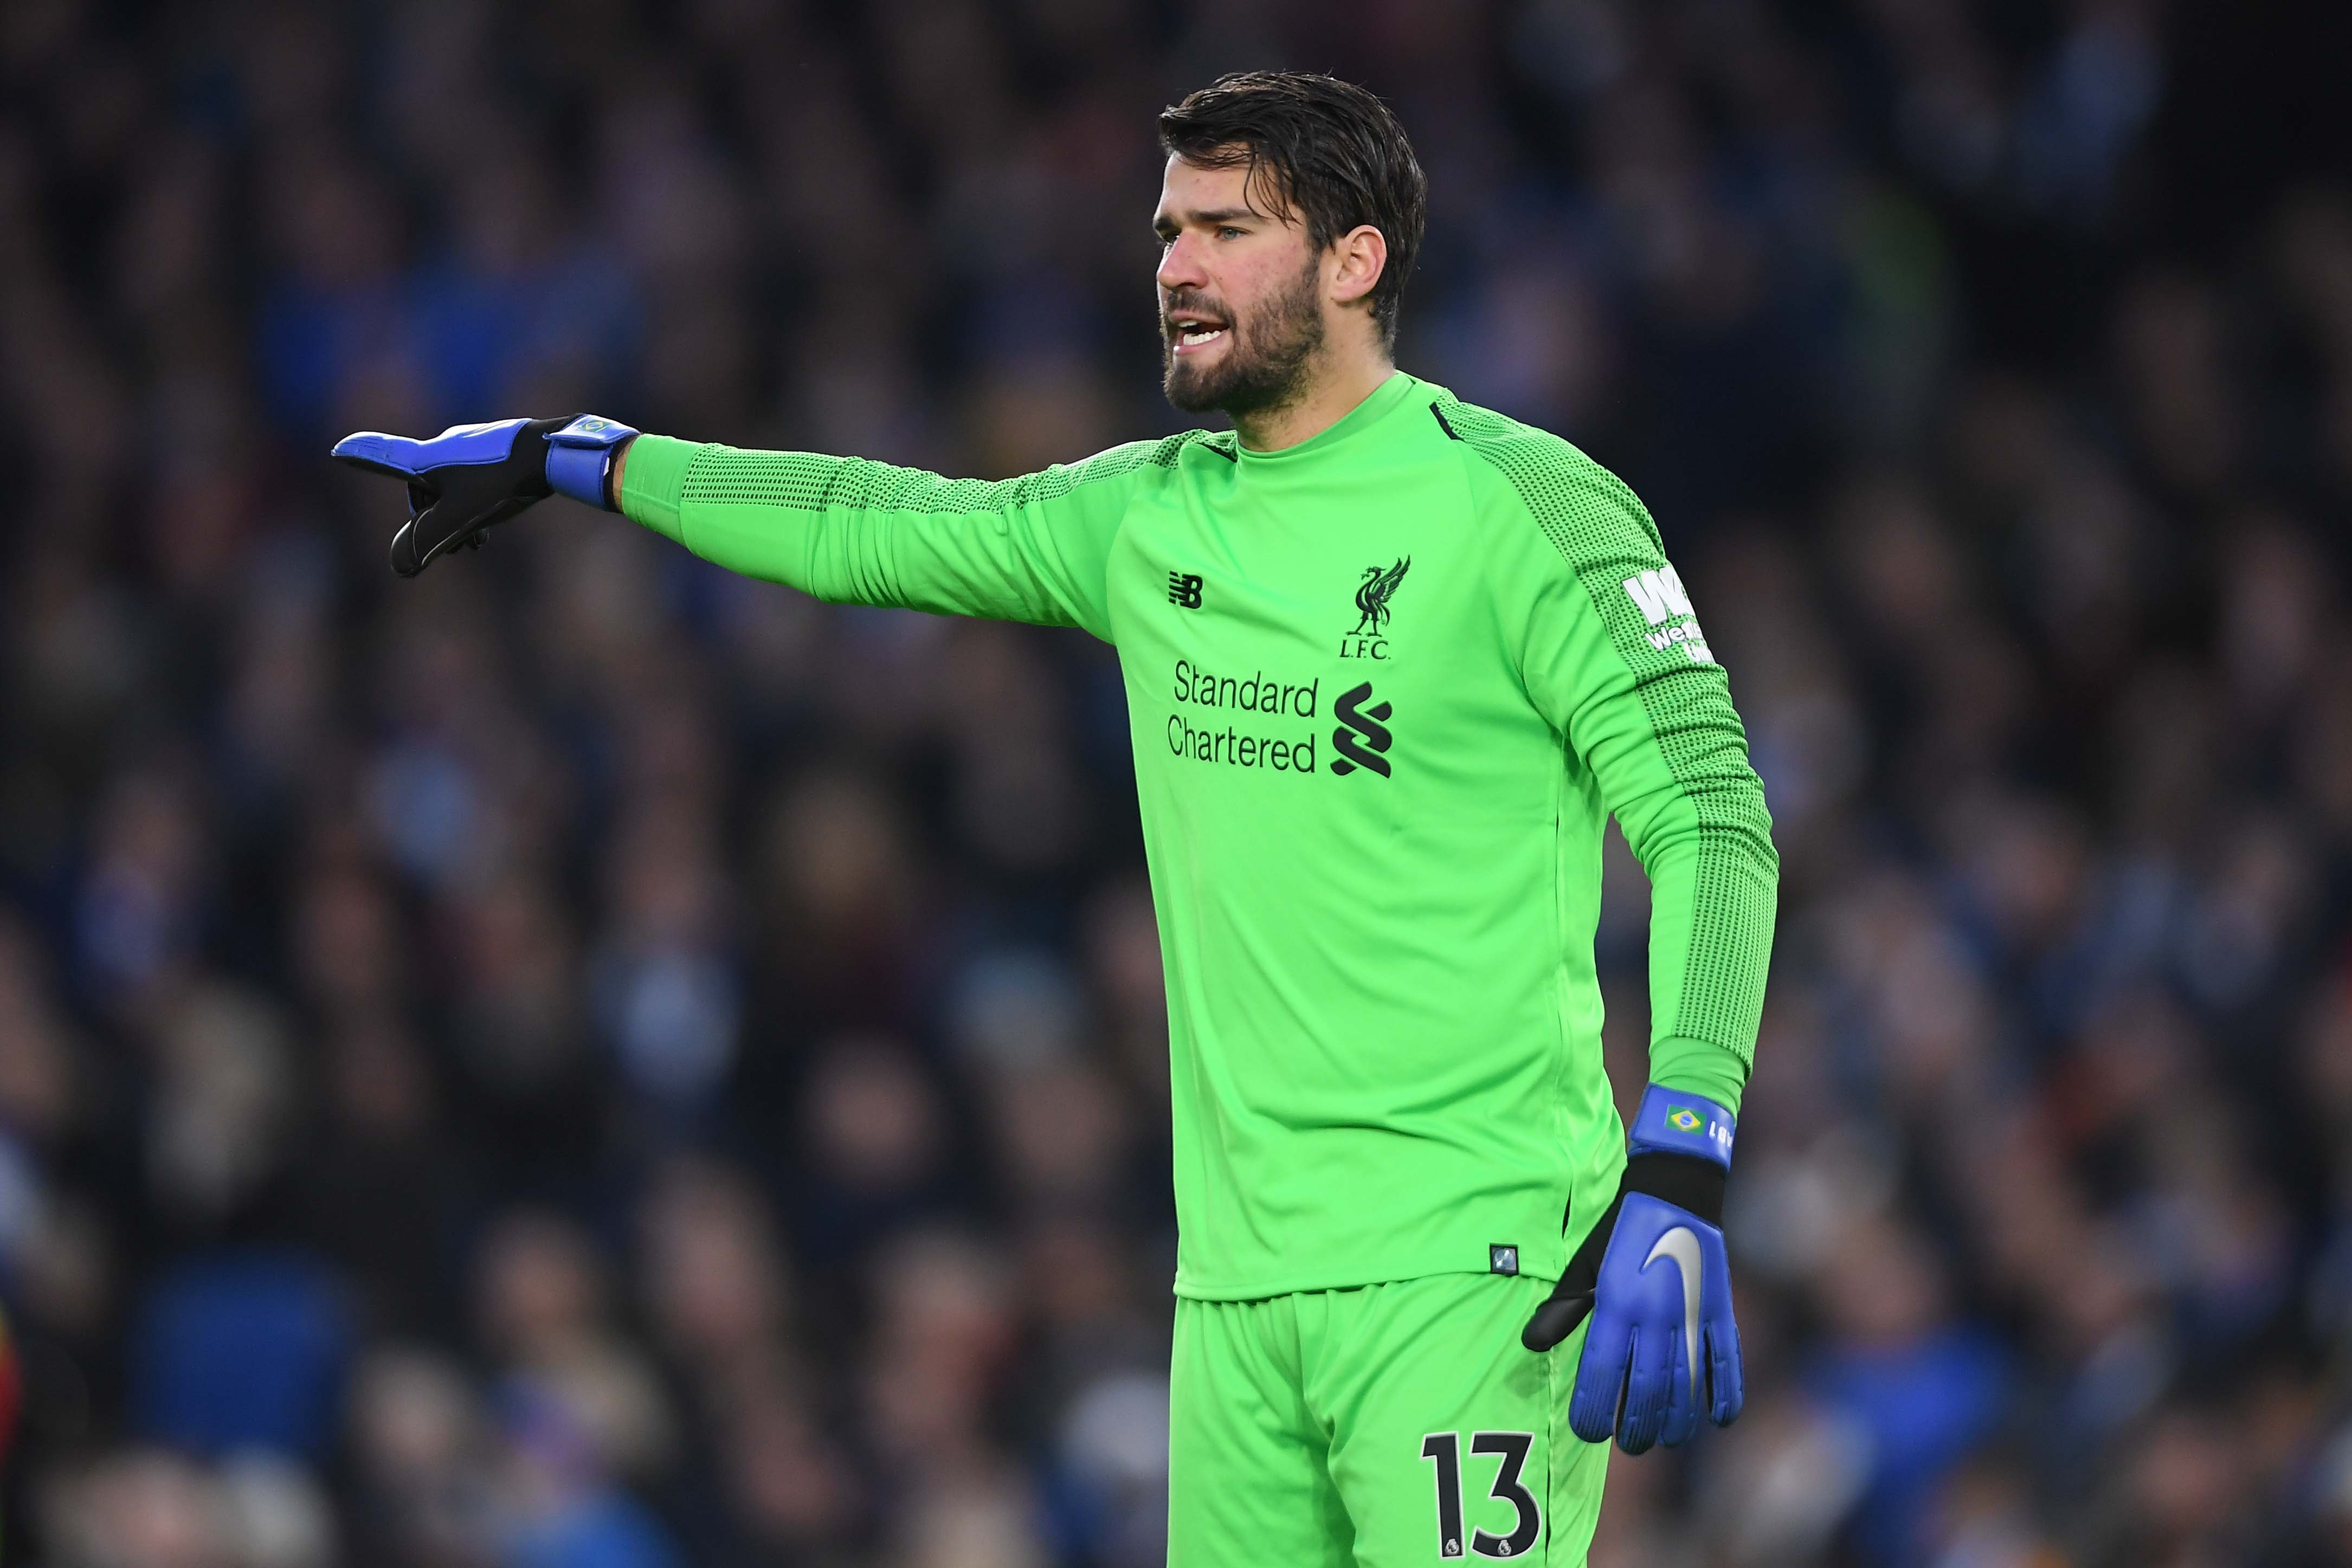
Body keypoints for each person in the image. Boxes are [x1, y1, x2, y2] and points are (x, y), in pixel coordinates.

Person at [334, 69, 1777, 1568]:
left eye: (1227, 228)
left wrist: (1680, 1150)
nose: (1173, 268)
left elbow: (1713, 823)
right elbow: (868, 527)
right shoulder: (1150, 515)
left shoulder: (1524, 507)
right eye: (1166, 232)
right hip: (1231, 1300)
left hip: (1470, 1273)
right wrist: (594, 457)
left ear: (1356, 261)